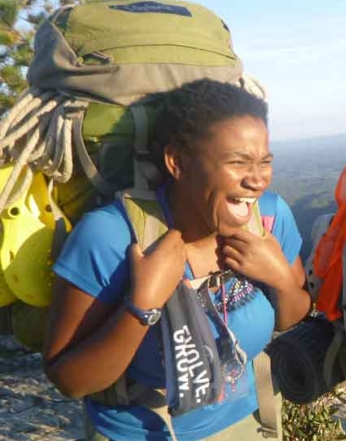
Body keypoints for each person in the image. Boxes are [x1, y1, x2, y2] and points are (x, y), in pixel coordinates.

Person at [42, 80, 311, 440]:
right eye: (238, 162)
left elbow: (291, 314)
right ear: (178, 162)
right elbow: (70, 381)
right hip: (145, 431)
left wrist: (280, 279)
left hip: (248, 421)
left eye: (265, 162)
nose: (257, 180)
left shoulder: (269, 218)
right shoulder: (114, 236)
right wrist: (142, 306)